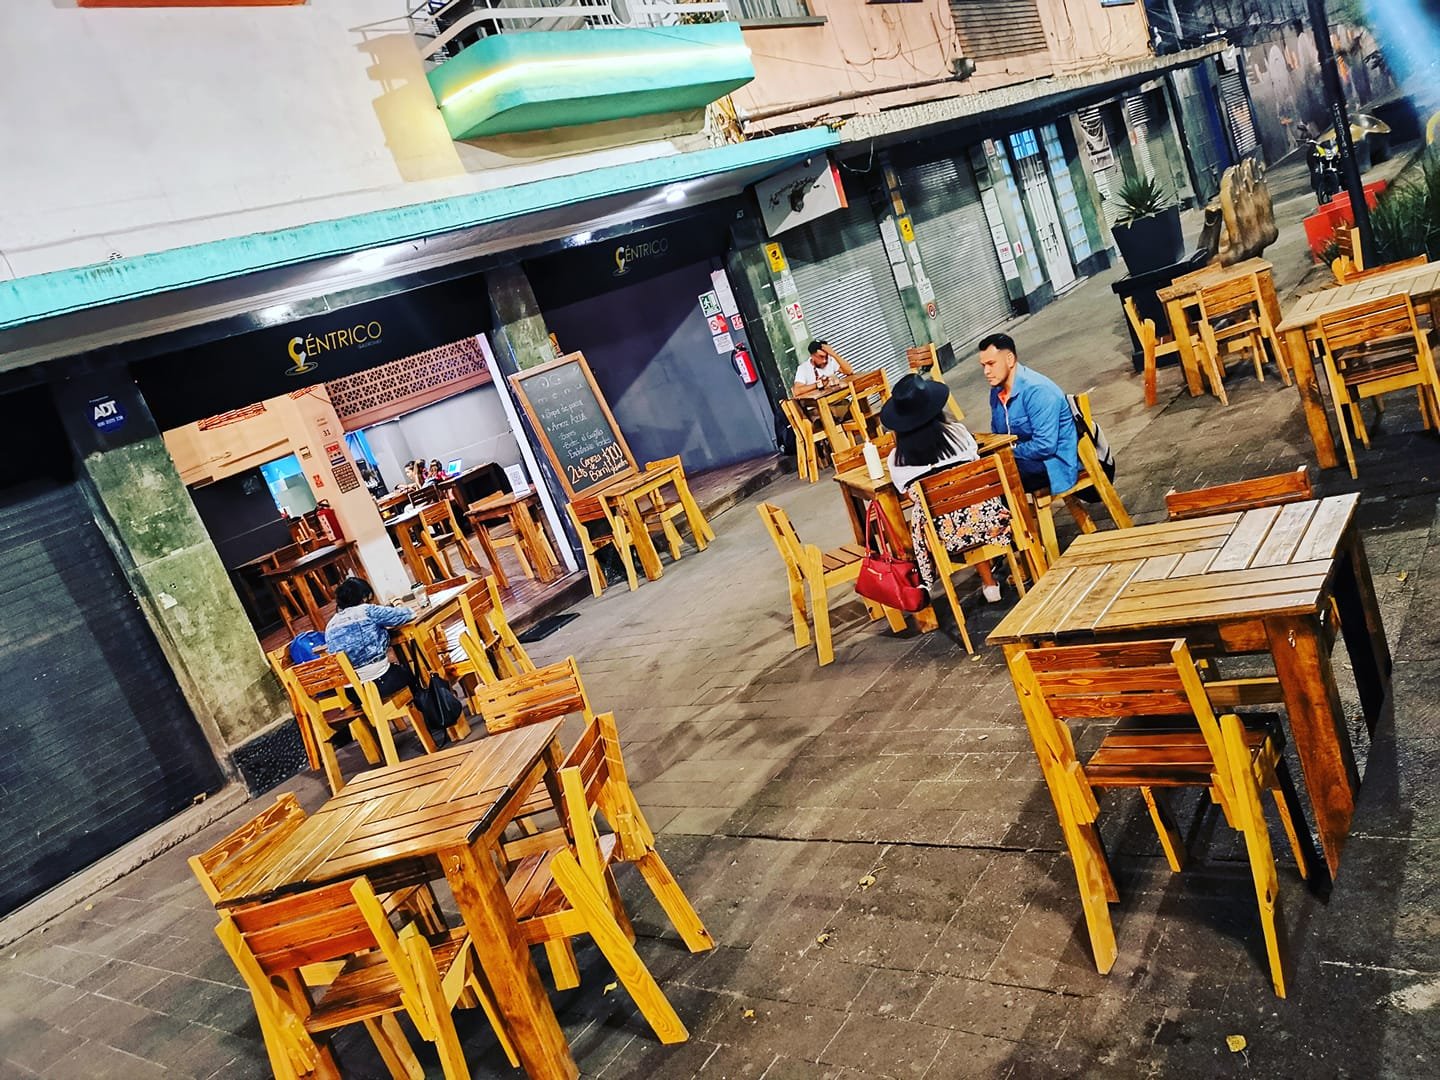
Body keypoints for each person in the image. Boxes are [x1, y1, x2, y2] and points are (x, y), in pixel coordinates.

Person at [880, 375, 1007, 603]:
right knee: (965, 500)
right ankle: (991, 583)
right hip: (989, 521)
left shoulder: (897, 459)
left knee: (943, 512)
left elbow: (908, 495)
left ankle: (934, 589)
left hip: (945, 537)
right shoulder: (959, 434)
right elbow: (975, 464)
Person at [324, 577, 446, 745]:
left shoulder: (330, 625)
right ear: (365, 596)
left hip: (353, 693)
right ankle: (433, 721)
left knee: (398, 671)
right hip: (380, 683)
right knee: (410, 672)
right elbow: (407, 614)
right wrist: (397, 604)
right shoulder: (367, 610)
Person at [979, 332, 1079, 494]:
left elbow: (1045, 446)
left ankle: (1014, 511)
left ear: (1010, 359)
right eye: (983, 366)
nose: (986, 372)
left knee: (993, 480)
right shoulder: (996, 392)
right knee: (981, 474)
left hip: (1052, 464)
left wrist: (1008, 454)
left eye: (991, 364)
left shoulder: (1038, 391)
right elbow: (997, 436)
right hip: (1022, 458)